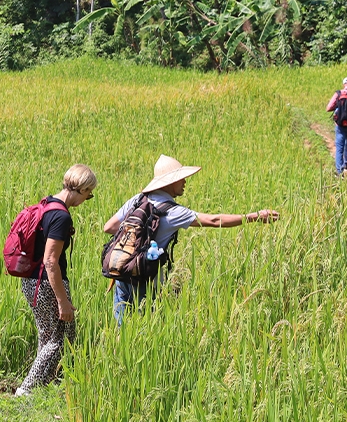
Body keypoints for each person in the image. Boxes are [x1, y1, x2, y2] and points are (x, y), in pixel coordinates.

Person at [102, 155, 279, 325]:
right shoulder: (173, 212)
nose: (185, 182)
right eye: (182, 178)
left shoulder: (137, 199)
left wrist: (133, 246)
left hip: (121, 273)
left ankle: (117, 355)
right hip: (146, 280)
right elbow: (214, 220)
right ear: (170, 182)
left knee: (122, 331)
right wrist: (253, 216)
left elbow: (108, 227)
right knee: (145, 328)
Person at [16, 164, 97, 396]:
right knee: (61, 338)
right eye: (88, 194)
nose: (87, 199)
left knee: (48, 335)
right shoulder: (61, 216)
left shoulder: (47, 205)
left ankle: (44, 390)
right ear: (81, 189)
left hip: (31, 281)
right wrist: (62, 301)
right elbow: (51, 261)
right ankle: (27, 390)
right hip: (47, 283)